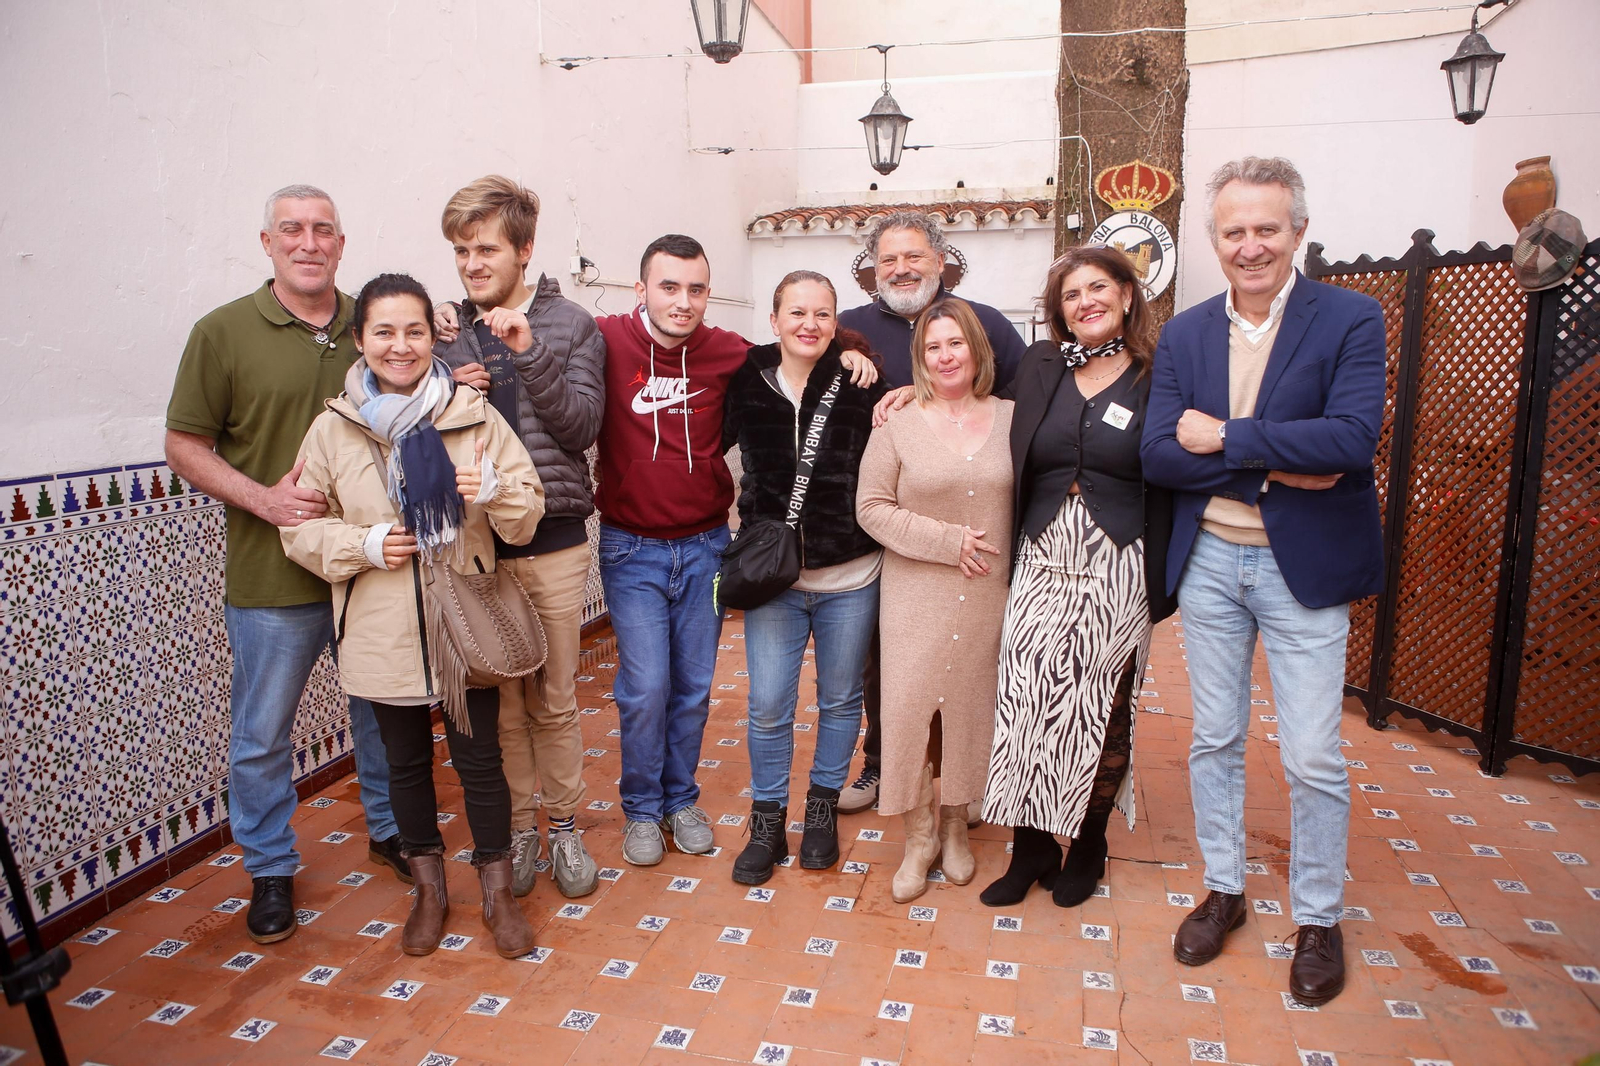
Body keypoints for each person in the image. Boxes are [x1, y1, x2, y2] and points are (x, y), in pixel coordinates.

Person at [1140, 156, 1385, 1007]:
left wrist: (1231, 440)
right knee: (1214, 737)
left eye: (1266, 229)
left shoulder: (1351, 318)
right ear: (1215, 240)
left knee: (1314, 753)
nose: (1251, 246)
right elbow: (1159, 453)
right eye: (1234, 231)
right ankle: (1225, 890)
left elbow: (1351, 442)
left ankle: (1317, 917)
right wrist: (1280, 460)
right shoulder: (1187, 331)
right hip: (1209, 564)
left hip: (1301, 568)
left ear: (1298, 232)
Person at [590, 236, 880, 866]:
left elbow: (895, 408)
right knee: (682, 692)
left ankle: (781, 809)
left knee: (724, 690)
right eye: (669, 287)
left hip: (785, 562)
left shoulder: (819, 376)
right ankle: (702, 815)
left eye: (696, 288)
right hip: (696, 558)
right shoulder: (633, 344)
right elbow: (549, 330)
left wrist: (862, 357)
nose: (683, 301)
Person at [164, 185, 403, 946]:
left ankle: (392, 829)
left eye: (323, 230)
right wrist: (261, 500)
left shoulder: (374, 327)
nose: (309, 242)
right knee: (263, 733)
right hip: (272, 581)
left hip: (370, 573)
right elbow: (184, 446)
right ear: (266, 243)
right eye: (292, 230)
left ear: (341, 242)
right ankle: (270, 867)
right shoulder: (223, 333)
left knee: (381, 710)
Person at [281, 273, 545, 958]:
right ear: (362, 339)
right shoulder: (334, 430)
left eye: (414, 331)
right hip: (381, 628)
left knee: (480, 761)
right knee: (404, 764)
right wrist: (361, 544)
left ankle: (494, 894)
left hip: (466, 623)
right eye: (384, 332)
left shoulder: (471, 414)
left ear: (435, 335)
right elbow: (300, 530)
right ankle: (429, 891)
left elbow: (526, 511)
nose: (400, 346)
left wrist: (492, 493)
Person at [978, 245, 1177, 910]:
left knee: (1100, 703)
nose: (1086, 301)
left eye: (1099, 287)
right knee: (1027, 695)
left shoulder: (1158, 373)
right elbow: (964, 384)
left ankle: (1087, 843)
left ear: (1126, 295)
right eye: (1071, 294)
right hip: (1040, 550)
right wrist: (894, 390)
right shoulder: (1040, 366)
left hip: (1119, 556)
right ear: (1059, 312)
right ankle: (1030, 846)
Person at [433, 175, 605, 900]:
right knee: (503, 705)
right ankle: (525, 826)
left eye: (486, 249)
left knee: (555, 699)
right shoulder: (446, 333)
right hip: (478, 549)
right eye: (461, 251)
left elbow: (579, 430)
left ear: (525, 249)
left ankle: (564, 827)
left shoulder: (572, 326)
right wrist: (445, 382)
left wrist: (529, 350)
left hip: (555, 543)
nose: (473, 264)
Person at [836, 211, 1028, 818]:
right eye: (888, 259)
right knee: (889, 667)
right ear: (872, 270)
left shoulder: (985, 324)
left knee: (971, 669)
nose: (901, 268)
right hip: (878, 524)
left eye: (913, 257)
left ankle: (962, 784)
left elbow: (1024, 402)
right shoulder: (848, 329)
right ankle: (882, 769)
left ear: (940, 262)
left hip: (971, 524)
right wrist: (844, 365)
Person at [720, 271, 887, 885]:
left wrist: (861, 359)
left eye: (822, 314)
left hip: (851, 572)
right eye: (797, 313)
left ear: (837, 321)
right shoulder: (749, 377)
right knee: (767, 705)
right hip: (775, 581)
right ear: (774, 320)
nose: (809, 324)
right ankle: (767, 821)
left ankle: (821, 809)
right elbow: (707, 439)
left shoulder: (860, 380)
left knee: (841, 699)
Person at [856, 297, 1014, 903]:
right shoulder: (897, 423)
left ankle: (956, 826)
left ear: (977, 349)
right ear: (920, 358)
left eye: (957, 344)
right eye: (933, 347)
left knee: (970, 709)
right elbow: (871, 507)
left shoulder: (1010, 417)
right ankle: (918, 834)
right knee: (911, 712)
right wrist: (946, 542)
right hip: (916, 593)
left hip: (985, 595)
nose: (946, 356)